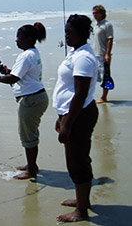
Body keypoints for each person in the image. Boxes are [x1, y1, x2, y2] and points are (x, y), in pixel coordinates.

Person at [0, 22, 48, 180]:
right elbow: (19, 74)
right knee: (30, 133)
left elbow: (14, 78)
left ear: (27, 38)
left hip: (30, 100)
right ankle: (31, 164)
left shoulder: (25, 56)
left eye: (19, 37)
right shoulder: (33, 53)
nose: (16, 40)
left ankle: (32, 170)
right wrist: (7, 71)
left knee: (28, 136)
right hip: (37, 97)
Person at [52, 14, 99, 222]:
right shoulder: (75, 52)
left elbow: (80, 94)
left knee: (77, 161)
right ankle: (83, 201)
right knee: (78, 157)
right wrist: (60, 117)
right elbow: (68, 90)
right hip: (71, 114)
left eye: (69, 32)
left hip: (80, 115)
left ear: (81, 33)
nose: (66, 35)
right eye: (65, 31)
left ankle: (81, 211)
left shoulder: (84, 58)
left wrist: (67, 125)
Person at [92, 5, 113, 103]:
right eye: (93, 13)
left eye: (96, 13)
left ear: (102, 13)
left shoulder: (107, 25)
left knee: (105, 75)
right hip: (95, 54)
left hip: (103, 54)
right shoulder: (96, 25)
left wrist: (107, 54)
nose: (94, 15)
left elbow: (110, 39)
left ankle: (104, 97)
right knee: (95, 76)